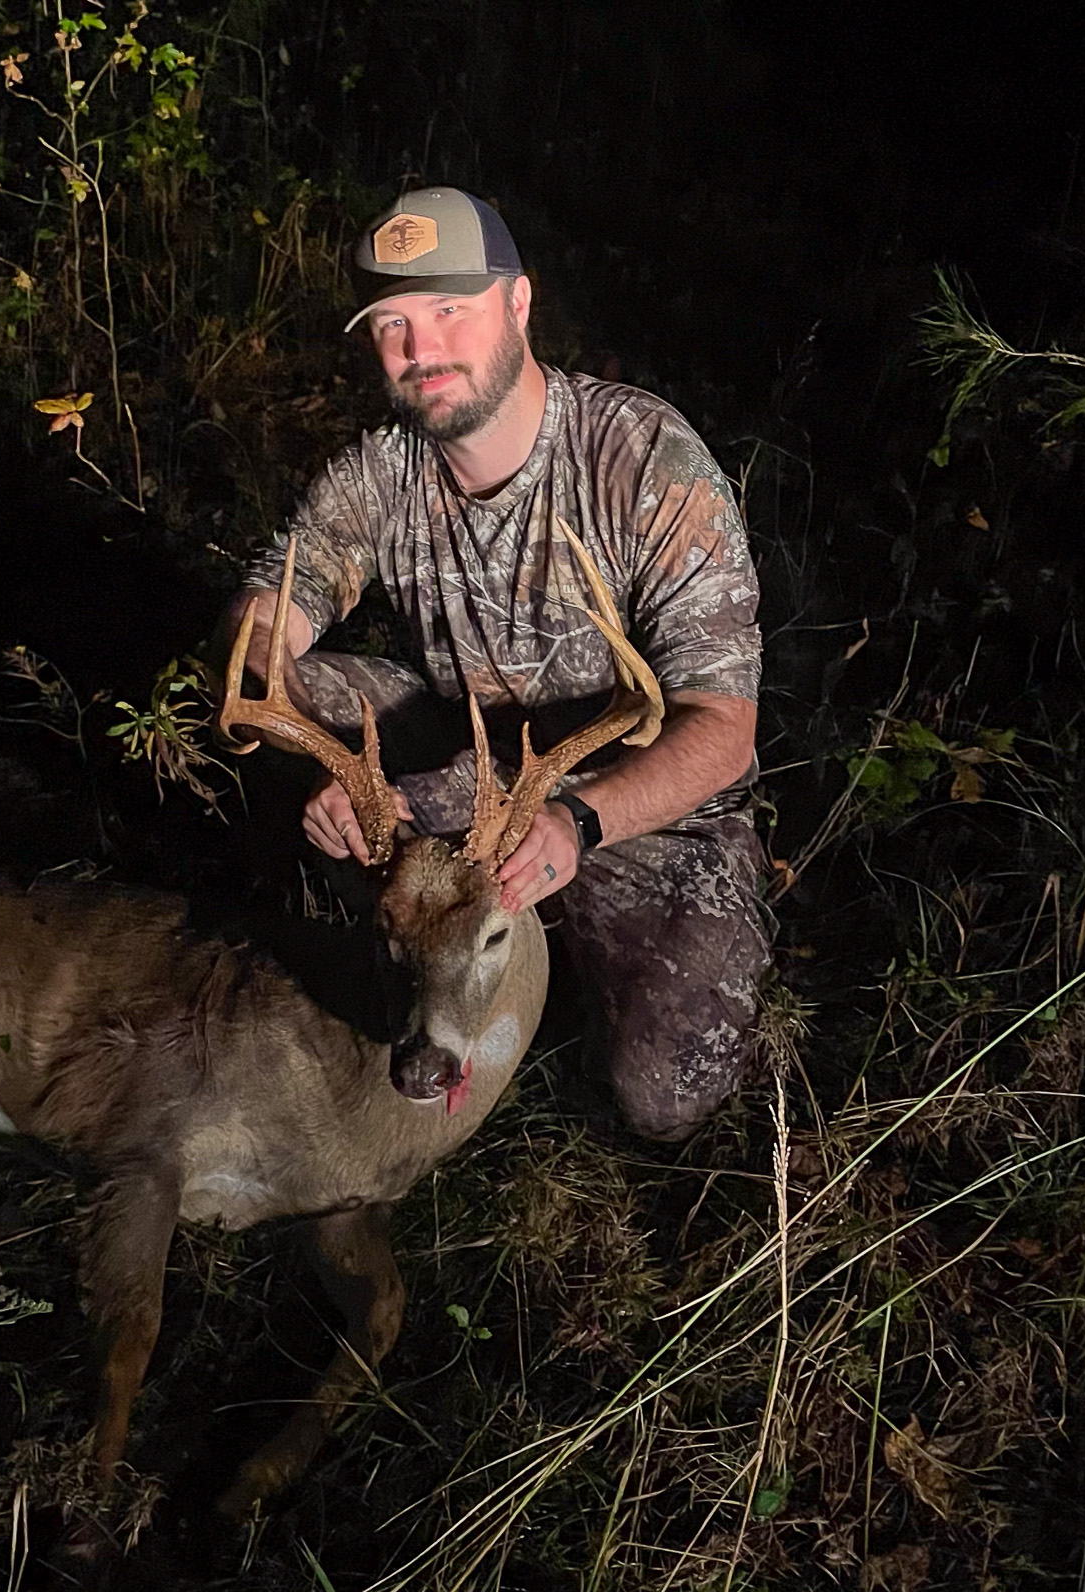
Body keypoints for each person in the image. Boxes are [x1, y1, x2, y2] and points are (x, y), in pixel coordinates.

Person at [228, 187, 771, 1141]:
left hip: (627, 810)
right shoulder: (381, 474)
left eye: (448, 311)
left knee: (667, 1095)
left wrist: (578, 824)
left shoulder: (642, 461)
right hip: (463, 772)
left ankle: (531, 947)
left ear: (519, 304)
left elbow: (723, 736)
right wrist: (322, 763)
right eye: (391, 323)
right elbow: (259, 630)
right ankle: (404, 913)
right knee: (284, 699)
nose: (420, 349)